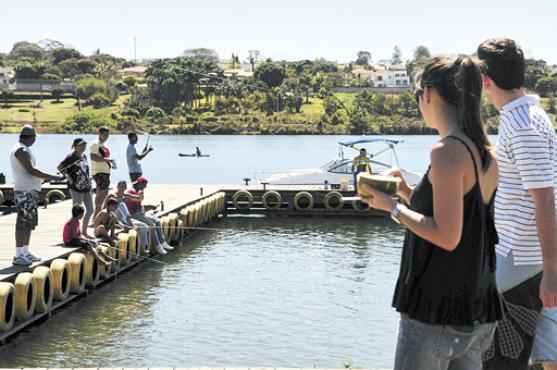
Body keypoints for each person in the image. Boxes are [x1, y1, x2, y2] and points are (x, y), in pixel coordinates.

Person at [361, 57, 503, 370]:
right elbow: (464, 220)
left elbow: (447, 236)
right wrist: (407, 193)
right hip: (474, 308)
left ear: (428, 93)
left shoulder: (447, 151)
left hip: (436, 310)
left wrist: (392, 208)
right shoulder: (486, 153)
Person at [478, 38, 557, 370]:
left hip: (521, 263)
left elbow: (545, 200)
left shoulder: (521, 124)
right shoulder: (531, 115)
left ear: (485, 80)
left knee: (500, 361)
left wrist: (552, 273)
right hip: (528, 259)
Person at [10, 125, 64, 266]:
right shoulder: (20, 150)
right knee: (22, 223)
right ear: (29, 137)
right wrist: (54, 177)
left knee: (28, 223)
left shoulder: (25, 149)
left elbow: (31, 173)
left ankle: (25, 252)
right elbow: (31, 170)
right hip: (24, 192)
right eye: (34, 137)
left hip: (30, 191)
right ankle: (18, 255)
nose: (35, 140)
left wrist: (44, 178)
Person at [125, 176, 173, 255]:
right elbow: (135, 205)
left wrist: (150, 206)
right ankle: (158, 246)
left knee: (157, 221)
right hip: (133, 215)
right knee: (151, 225)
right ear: (140, 184)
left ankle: (163, 242)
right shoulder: (132, 191)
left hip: (139, 213)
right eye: (144, 185)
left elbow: (140, 206)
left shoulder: (138, 191)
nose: (145, 187)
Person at [58, 138, 94, 238]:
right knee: (77, 212)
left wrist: (89, 179)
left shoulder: (84, 156)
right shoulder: (71, 157)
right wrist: (68, 177)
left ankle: (84, 232)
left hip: (86, 186)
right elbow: (60, 167)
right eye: (80, 145)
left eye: (84, 145)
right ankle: (74, 232)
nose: (83, 147)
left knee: (90, 210)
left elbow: (85, 169)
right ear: (75, 146)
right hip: (76, 187)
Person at [110, 180, 150, 254]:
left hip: (127, 219)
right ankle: (138, 250)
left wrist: (141, 191)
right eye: (121, 186)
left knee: (144, 226)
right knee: (134, 229)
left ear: (125, 188)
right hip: (117, 220)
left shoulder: (126, 195)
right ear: (117, 187)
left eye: (124, 187)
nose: (122, 188)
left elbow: (139, 198)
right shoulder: (112, 196)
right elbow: (105, 207)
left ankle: (144, 247)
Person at [90, 126, 113, 219]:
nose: (106, 136)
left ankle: (98, 216)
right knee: (102, 195)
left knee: (103, 193)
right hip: (99, 172)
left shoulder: (105, 145)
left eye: (108, 135)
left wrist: (110, 162)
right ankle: (96, 217)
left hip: (105, 172)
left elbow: (104, 158)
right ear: (99, 133)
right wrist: (107, 160)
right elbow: (93, 157)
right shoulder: (95, 144)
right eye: (104, 134)